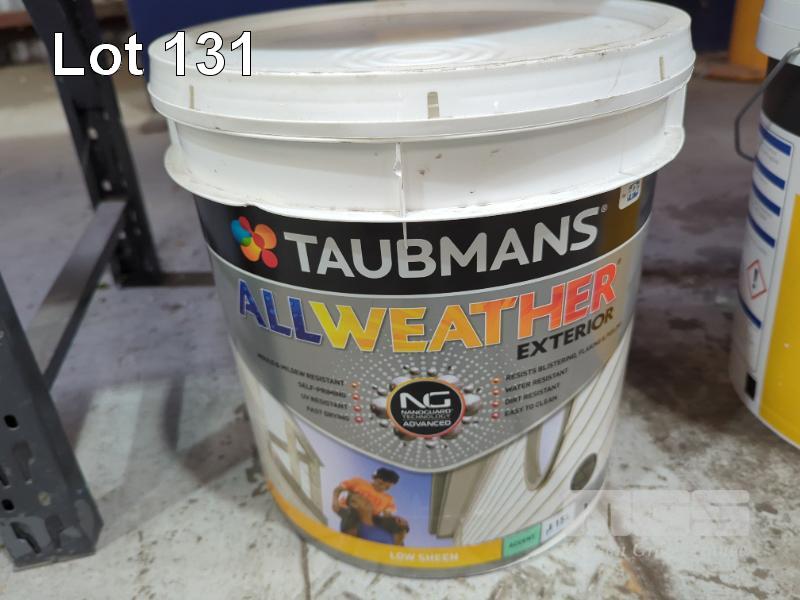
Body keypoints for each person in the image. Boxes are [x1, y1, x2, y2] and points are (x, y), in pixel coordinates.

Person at [332, 468, 409, 545]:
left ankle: (398, 546)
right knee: (354, 513)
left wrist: (394, 523)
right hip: (350, 509)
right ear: (374, 478)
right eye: (380, 483)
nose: (382, 488)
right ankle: (350, 539)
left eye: (387, 487)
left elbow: (387, 514)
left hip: (371, 516)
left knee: (397, 526)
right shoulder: (359, 482)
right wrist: (335, 501)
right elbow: (339, 489)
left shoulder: (388, 499)